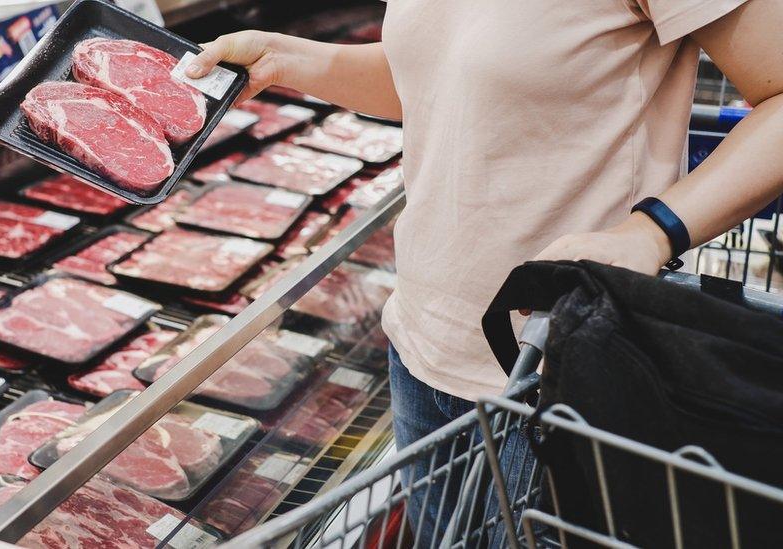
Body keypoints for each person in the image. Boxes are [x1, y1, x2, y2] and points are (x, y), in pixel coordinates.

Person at [187, 0, 783, 545]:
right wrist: (285, 56)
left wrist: (650, 232)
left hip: (555, 372)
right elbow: (435, 80)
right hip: (421, 345)